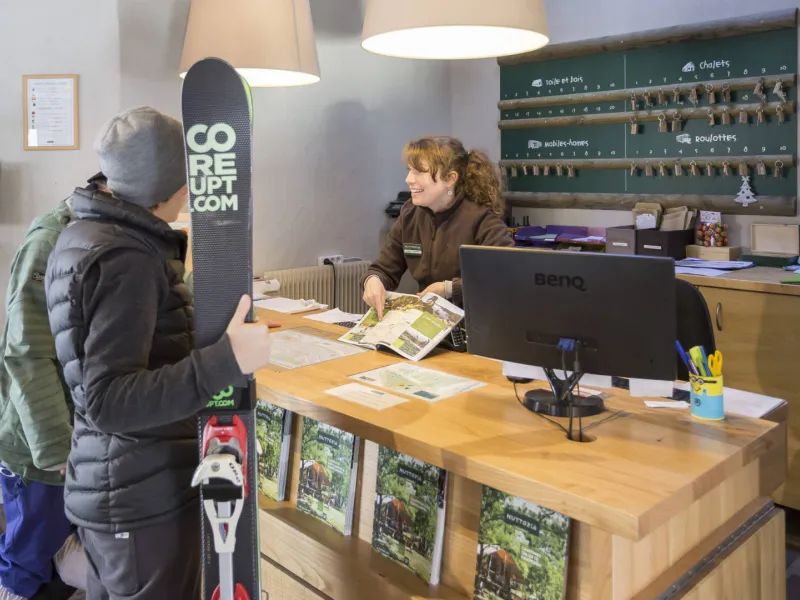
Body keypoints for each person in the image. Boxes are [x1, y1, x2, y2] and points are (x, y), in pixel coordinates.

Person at [44, 106, 273, 600]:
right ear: (164, 187)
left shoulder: (85, 232)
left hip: (117, 487)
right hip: (138, 499)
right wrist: (228, 358)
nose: (187, 191)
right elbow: (110, 399)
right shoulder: (125, 257)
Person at [0, 174, 107, 600]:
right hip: (39, 447)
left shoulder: (98, 235)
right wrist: (56, 449)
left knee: (60, 551)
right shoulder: (50, 241)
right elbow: (27, 354)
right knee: (28, 558)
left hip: (78, 435)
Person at [362, 136, 514, 318]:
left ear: (450, 178)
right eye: (409, 170)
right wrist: (373, 280)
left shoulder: (481, 218)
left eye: (419, 171)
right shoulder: (410, 213)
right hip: (429, 322)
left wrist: (448, 289)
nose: (409, 179)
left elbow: (506, 274)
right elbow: (383, 268)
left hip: (473, 326)